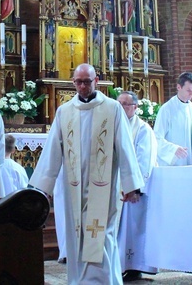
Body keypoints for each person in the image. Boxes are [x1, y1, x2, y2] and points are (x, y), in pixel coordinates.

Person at [29, 64, 144, 284]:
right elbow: (53, 149)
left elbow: (125, 147)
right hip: (73, 185)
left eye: (87, 81)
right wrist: (44, 187)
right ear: (73, 82)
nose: (82, 86)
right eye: (78, 82)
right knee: (77, 237)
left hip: (104, 185)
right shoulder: (65, 111)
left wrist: (131, 186)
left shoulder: (112, 108)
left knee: (101, 236)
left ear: (96, 81)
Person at [116, 91, 158, 281]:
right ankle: (118, 265)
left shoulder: (143, 129)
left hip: (134, 191)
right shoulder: (114, 126)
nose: (122, 108)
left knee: (133, 229)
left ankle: (134, 267)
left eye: (126, 104)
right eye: (119, 104)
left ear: (135, 107)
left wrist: (135, 188)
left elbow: (144, 161)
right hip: (115, 188)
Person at [153, 72, 192, 166]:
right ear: (179, 87)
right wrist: (173, 149)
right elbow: (156, 138)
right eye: (188, 90)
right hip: (174, 165)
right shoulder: (167, 109)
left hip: (191, 162)